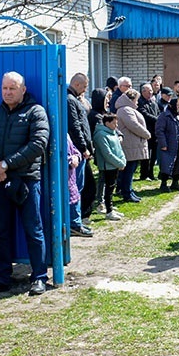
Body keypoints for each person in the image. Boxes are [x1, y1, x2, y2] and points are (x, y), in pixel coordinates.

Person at [0, 72, 50, 296]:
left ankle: (39, 276)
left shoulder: (36, 112)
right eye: (4, 88)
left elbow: (38, 144)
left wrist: (6, 165)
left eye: (12, 88)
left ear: (23, 89)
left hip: (27, 180)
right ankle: (2, 278)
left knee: (33, 230)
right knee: (1, 232)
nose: (8, 92)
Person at [66, 73, 94, 238]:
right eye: (84, 87)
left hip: (80, 151)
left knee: (79, 187)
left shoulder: (74, 99)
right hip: (76, 153)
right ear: (77, 84)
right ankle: (74, 223)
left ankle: (76, 221)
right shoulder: (70, 100)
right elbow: (76, 126)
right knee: (75, 188)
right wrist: (83, 147)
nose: (84, 91)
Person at [114, 88, 151, 203]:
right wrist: (147, 134)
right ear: (131, 99)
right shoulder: (125, 110)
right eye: (136, 100)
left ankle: (129, 190)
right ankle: (127, 192)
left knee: (130, 170)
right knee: (129, 170)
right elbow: (133, 125)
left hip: (132, 145)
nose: (137, 102)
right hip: (129, 145)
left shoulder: (126, 109)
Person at [93, 113, 126, 220]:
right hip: (108, 166)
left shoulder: (113, 133)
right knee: (108, 188)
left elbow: (119, 150)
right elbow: (107, 154)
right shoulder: (101, 135)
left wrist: (123, 161)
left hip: (115, 165)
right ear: (107, 123)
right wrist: (119, 163)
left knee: (111, 188)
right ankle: (109, 211)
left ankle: (110, 207)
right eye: (114, 123)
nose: (116, 126)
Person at [156, 97, 179, 192]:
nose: (178, 107)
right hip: (169, 144)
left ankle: (175, 183)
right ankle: (164, 184)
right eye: (177, 105)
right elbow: (159, 131)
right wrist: (163, 144)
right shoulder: (164, 116)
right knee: (167, 164)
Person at [137, 83, 160, 181]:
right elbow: (144, 114)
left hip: (155, 132)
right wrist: (157, 119)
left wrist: (159, 119)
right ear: (143, 92)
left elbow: (158, 112)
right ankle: (144, 174)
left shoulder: (153, 102)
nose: (151, 92)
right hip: (146, 131)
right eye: (148, 91)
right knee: (146, 154)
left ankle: (151, 173)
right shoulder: (140, 102)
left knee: (154, 153)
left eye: (151, 90)